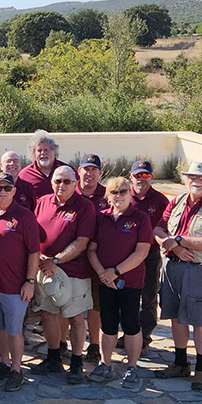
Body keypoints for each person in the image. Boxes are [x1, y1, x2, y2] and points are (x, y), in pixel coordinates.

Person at [153, 161, 202, 392]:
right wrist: (174, 248)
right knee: (175, 316)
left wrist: (178, 240)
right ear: (186, 179)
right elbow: (158, 229)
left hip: (198, 270)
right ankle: (180, 363)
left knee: (198, 319)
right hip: (172, 266)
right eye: (192, 177)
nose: (196, 181)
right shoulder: (176, 202)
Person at [32, 165, 97, 383]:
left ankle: (77, 363)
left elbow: (82, 242)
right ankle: (54, 358)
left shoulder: (84, 206)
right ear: (52, 182)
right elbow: (34, 234)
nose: (62, 185)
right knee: (48, 314)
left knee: (76, 317)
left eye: (67, 181)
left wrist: (56, 260)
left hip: (73, 271)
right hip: (45, 270)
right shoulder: (42, 202)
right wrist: (40, 257)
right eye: (58, 181)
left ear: (75, 183)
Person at [86, 177, 152, 389]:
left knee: (131, 324)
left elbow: (142, 252)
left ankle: (132, 367)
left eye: (124, 191)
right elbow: (92, 249)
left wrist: (115, 272)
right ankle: (106, 364)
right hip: (105, 281)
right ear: (108, 195)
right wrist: (103, 274)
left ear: (130, 193)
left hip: (130, 281)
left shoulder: (140, 218)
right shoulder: (101, 218)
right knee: (108, 323)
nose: (119, 195)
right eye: (115, 192)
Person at [0, 171, 40, 392]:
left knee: (14, 330)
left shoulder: (24, 216)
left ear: (14, 190)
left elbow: (34, 252)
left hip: (15, 286)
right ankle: (4, 364)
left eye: (7, 188)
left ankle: (16, 370)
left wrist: (30, 281)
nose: (2, 192)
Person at [128, 160, 169, 351]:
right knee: (127, 294)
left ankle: (145, 334)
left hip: (150, 254)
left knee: (149, 294)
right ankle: (129, 331)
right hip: (126, 254)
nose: (141, 179)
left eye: (145, 175)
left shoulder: (160, 200)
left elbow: (166, 226)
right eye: (138, 175)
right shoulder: (124, 195)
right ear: (131, 176)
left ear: (151, 177)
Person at [76, 153, 108, 364]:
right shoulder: (70, 190)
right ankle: (63, 344)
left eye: (93, 169)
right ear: (79, 171)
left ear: (100, 172)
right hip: (74, 259)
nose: (89, 173)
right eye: (85, 169)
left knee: (96, 306)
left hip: (99, 259)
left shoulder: (108, 194)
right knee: (72, 306)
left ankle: (94, 345)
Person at [18, 130, 70, 199]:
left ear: (54, 151)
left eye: (46, 150)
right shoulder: (25, 175)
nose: (43, 153)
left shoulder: (67, 171)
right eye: (39, 150)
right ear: (34, 153)